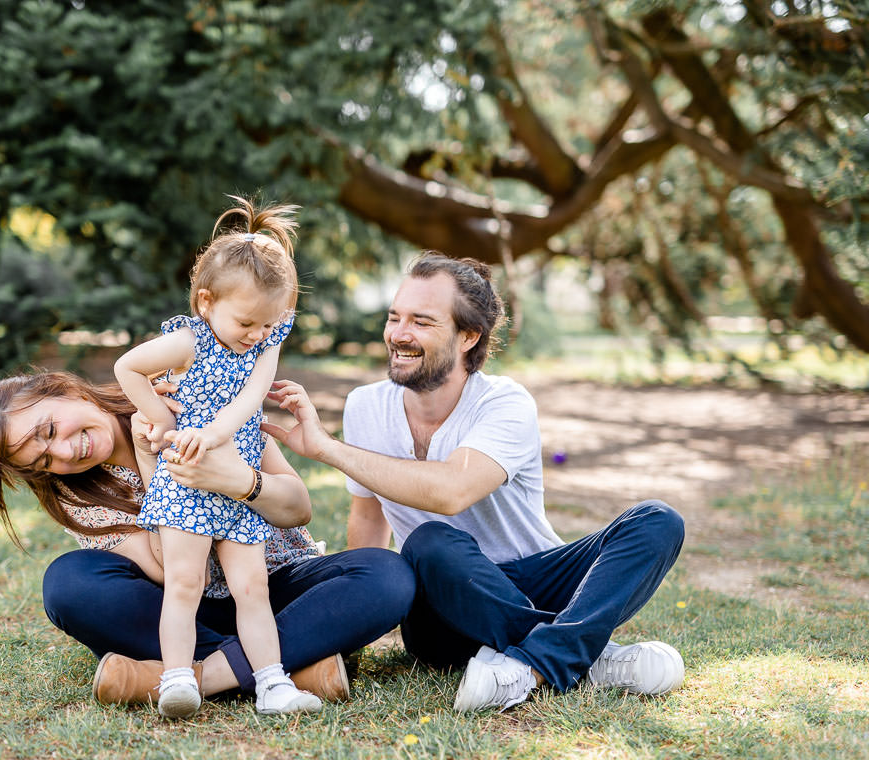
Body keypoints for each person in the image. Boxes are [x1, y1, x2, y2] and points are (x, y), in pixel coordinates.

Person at [264, 252, 686, 712]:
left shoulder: (506, 403)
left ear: (468, 336)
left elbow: (451, 491)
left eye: (422, 322)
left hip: (533, 578)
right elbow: (369, 519)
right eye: (394, 317)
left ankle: (534, 665)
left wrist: (328, 448)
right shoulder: (366, 406)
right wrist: (353, 630)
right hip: (441, 609)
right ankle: (587, 656)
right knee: (429, 542)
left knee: (657, 521)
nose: (399, 335)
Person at [0, 370, 414, 715]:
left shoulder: (190, 395)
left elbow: (297, 508)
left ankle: (195, 678)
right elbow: (166, 570)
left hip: (274, 585)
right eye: (43, 461)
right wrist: (147, 459)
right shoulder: (77, 493)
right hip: (186, 609)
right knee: (68, 584)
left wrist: (238, 480)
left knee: (386, 575)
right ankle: (287, 669)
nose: (62, 453)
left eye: (50, 431)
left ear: (65, 390)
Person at [112, 197, 317, 718]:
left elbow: (253, 396)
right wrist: (159, 418)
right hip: (186, 480)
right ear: (206, 302)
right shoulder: (187, 341)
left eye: (269, 325)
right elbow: (127, 368)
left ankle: (273, 684)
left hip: (236, 478)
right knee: (186, 582)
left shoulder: (266, 338)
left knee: (253, 585)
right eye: (248, 323)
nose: (259, 334)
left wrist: (214, 431)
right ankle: (178, 678)